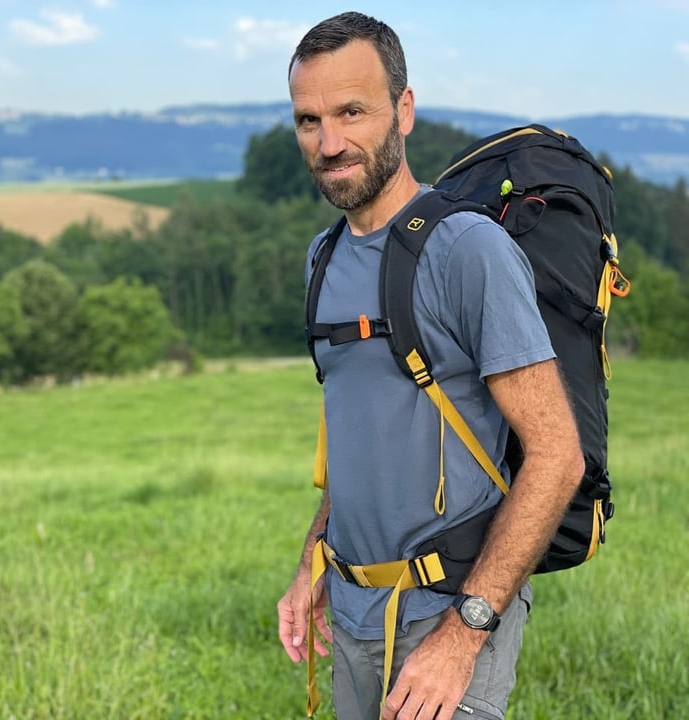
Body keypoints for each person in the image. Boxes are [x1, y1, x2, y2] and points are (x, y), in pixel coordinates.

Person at [276, 12, 585, 720]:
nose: (330, 143)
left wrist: (464, 632)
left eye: (352, 112)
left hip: (450, 614)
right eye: (308, 120)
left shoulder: (466, 251)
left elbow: (557, 456)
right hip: (352, 611)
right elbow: (365, 437)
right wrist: (311, 563)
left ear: (403, 110)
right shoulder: (322, 259)